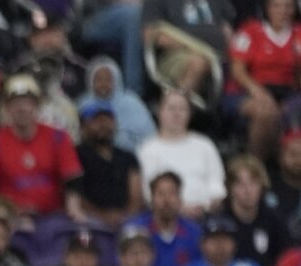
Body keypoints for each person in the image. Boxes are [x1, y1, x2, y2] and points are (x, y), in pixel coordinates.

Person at [0, 74, 85, 222]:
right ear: (7, 108)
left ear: (37, 105)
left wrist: (74, 209)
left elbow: (72, 178)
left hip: (53, 214)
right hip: (12, 217)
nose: (22, 108)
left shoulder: (58, 137)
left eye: (27, 102)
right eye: (15, 103)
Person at [139, 90, 226, 214]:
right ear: (160, 112)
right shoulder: (147, 149)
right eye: (171, 108)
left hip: (206, 215)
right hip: (166, 216)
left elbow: (217, 184)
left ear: (189, 114)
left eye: (182, 109)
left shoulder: (205, 145)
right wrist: (180, 209)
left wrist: (206, 206)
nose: (176, 114)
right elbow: (146, 192)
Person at [229, 0, 296, 158]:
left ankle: (284, 164)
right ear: (267, 9)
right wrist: (257, 92)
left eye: (288, 6)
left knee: (286, 110)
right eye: (277, 6)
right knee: (265, 112)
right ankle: (256, 164)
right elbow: (237, 70)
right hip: (245, 91)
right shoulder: (250, 30)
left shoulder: (298, 34)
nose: (283, 11)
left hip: (285, 92)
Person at [143, 0, 232, 105]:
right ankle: (178, 107)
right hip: (177, 54)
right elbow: (150, 34)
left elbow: (227, 27)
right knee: (198, 62)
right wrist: (192, 46)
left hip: (218, 55)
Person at [76, 100, 144, 228]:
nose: (103, 124)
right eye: (96, 120)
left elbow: (136, 195)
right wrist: (102, 216)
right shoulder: (76, 155)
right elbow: (75, 196)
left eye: (107, 119)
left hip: (126, 220)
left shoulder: (127, 157)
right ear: (83, 126)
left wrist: (125, 216)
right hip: (89, 220)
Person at [220, 154, 290, 266]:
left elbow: (286, 257)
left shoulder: (274, 219)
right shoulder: (219, 221)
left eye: (253, 183)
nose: (248, 190)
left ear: (262, 186)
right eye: (240, 184)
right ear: (230, 188)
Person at [129, 171, 203, 266]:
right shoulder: (136, 230)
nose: (166, 200)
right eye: (161, 194)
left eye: (172, 193)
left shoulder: (194, 233)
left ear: (180, 199)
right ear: (151, 199)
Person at [79, 56, 156, 154]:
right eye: (98, 79)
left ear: (116, 80)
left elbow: (149, 137)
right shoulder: (83, 104)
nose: (103, 84)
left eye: (108, 79)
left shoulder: (131, 102)